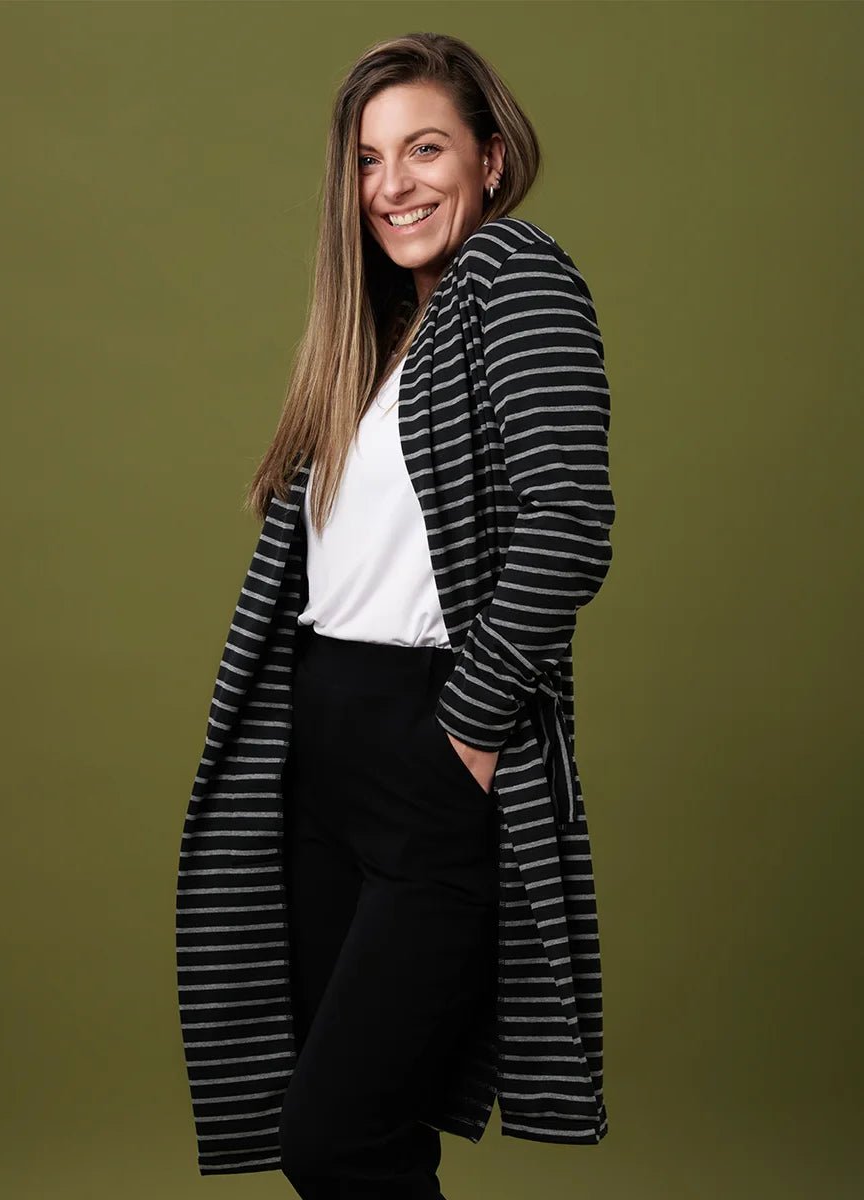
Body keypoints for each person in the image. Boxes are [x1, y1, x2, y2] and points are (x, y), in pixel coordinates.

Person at [175, 31, 616, 1199]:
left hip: (430, 745)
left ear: (490, 158)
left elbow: (570, 517)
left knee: (337, 1135)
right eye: (369, 161)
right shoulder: (377, 335)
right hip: (324, 747)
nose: (392, 186)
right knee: (363, 1136)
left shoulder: (513, 272)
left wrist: (464, 735)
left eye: (424, 149)